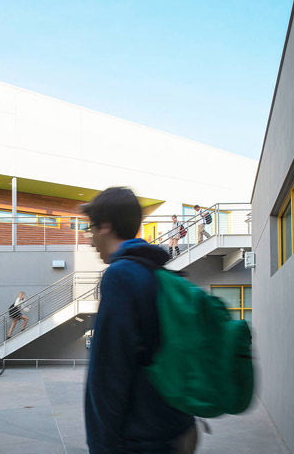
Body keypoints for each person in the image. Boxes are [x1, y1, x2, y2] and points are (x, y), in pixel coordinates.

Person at [81, 187, 197, 453]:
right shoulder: (156, 272)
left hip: (137, 440)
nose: (90, 241)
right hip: (172, 430)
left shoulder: (121, 275)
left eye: (91, 229)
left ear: (105, 227)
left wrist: (101, 445)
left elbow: (109, 372)